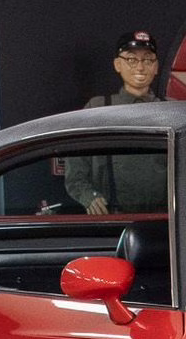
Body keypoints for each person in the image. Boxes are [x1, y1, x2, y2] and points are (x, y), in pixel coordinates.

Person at [65, 30, 168, 214]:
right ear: (117, 64)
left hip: (163, 221)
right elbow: (75, 171)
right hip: (111, 220)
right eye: (131, 59)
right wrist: (88, 196)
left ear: (156, 66)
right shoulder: (98, 109)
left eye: (147, 60)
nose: (140, 67)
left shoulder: (171, 111)